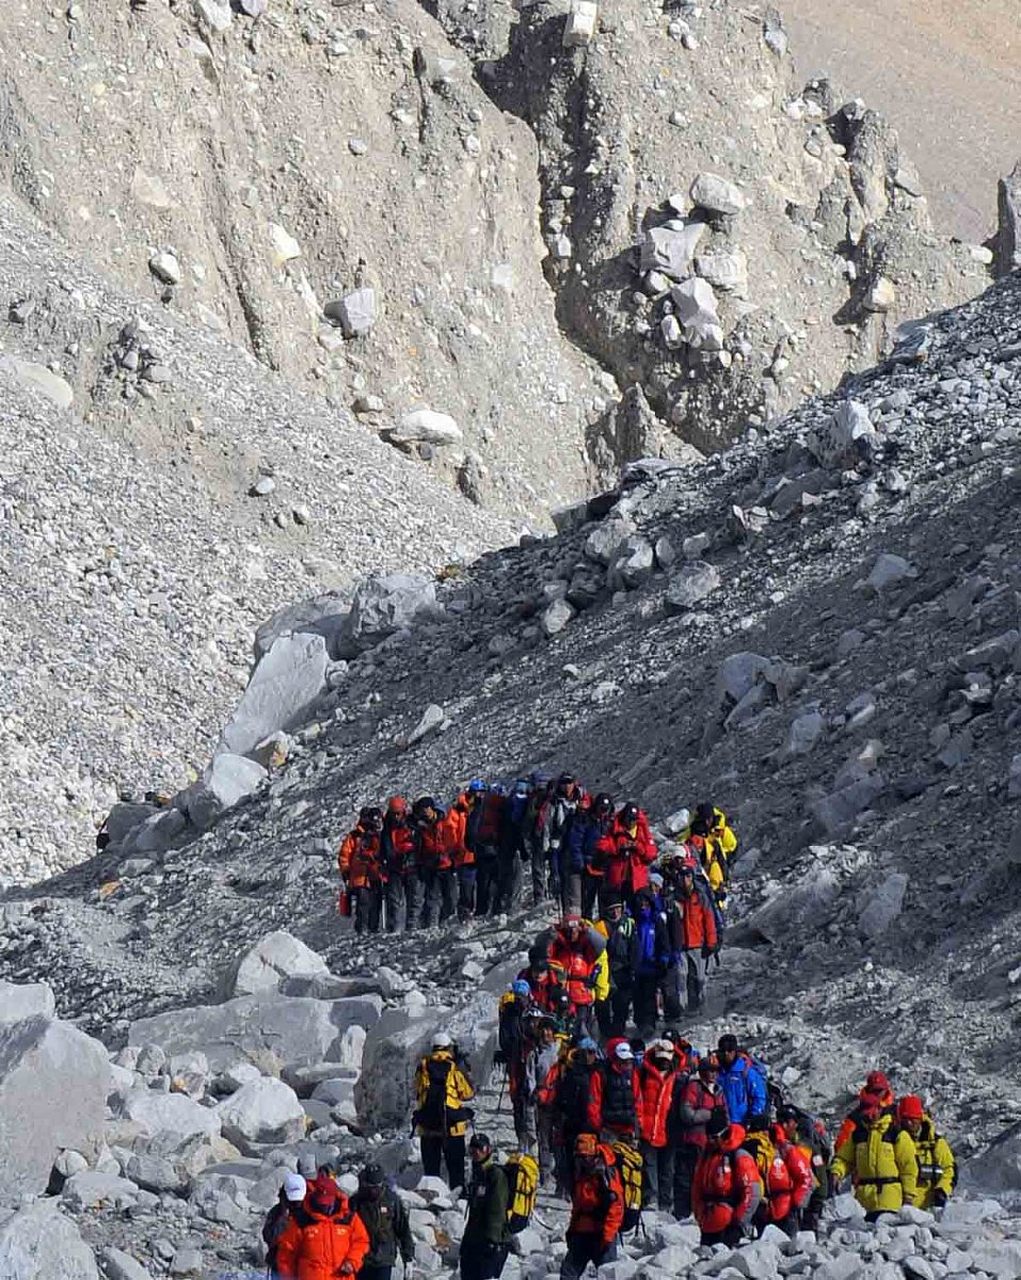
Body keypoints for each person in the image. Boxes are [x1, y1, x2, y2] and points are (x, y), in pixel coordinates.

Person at [829, 1096, 918, 1220]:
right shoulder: (858, 1135)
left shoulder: (896, 1134)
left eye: (871, 1111)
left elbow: (908, 1168)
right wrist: (837, 1172)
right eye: (866, 1112)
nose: (868, 1116)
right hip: (864, 1202)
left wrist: (908, 1196)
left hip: (890, 1200)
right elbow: (844, 1159)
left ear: (879, 1109)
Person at [274, 1169, 371, 1280]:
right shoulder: (301, 1220)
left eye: (327, 1203)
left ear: (335, 1197)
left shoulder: (348, 1218)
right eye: (321, 1202)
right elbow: (286, 1253)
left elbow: (361, 1241)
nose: (323, 1206)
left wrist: (352, 1261)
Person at [413, 1031, 475, 1191]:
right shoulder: (454, 1067)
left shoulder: (423, 1066)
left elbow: (417, 1090)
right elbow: (468, 1093)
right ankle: (458, 1199)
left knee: (431, 1171)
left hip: (427, 1127)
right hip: (452, 1126)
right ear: (449, 1048)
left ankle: (433, 1199)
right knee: (456, 1170)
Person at [559, 1134, 624, 1280]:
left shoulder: (606, 1174)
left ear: (593, 1155)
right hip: (582, 1231)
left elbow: (616, 1207)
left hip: (601, 1233)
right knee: (568, 1273)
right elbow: (578, 1205)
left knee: (607, 1274)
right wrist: (572, 1229)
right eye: (579, 1157)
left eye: (584, 1157)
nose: (581, 1161)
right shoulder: (581, 1172)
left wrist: (607, 1237)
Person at [691, 1113, 762, 1247]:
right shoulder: (707, 1155)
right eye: (708, 1137)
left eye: (714, 1138)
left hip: (729, 1227)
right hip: (708, 1224)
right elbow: (697, 1186)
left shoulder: (739, 1155)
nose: (710, 1141)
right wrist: (699, 1214)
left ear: (724, 1134)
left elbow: (752, 1192)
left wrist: (738, 1223)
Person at [671, 1052, 727, 1218]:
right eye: (710, 1070)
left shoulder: (719, 1091)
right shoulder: (693, 1088)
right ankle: (683, 1213)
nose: (713, 1074)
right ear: (702, 1071)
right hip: (693, 1141)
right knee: (686, 1180)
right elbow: (687, 1114)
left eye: (716, 1070)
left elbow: (725, 1115)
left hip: (713, 1143)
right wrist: (710, 1114)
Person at [662, 863, 719, 1018]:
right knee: (681, 976)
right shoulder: (673, 898)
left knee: (700, 978)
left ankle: (701, 1005)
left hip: (698, 943)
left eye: (688, 876)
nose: (685, 879)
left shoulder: (700, 896)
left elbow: (708, 919)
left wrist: (711, 941)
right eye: (682, 876)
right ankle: (683, 1009)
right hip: (680, 945)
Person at [547, 1038, 600, 1194]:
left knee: (591, 1159)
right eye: (587, 1052)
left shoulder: (599, 1072)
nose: (590, 1056)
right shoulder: (571, 1071)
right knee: (570, 1157)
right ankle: (569, 1188)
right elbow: (561, 1096)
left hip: (592, 1123)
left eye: (593, 1052)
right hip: (572, 1123)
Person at [743, 1120, 813, 1236]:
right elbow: (805, 1176)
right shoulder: (785, 1148)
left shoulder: (746, 1149)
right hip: (784, 1207)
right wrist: (798, 1203)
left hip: (761, 1208)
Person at [350, 1164, 414, 1280]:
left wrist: (408, 1258)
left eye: (376, 1187)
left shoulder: (391, 1201)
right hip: (361, 1258)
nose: (373, 1191)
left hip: (384, 1259)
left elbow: (403, 1230)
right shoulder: (356, 1202)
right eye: (370, 1186)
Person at [774, 1103, 831, 1232]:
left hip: (797, 1201)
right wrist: (819, 1199)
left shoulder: (783, 1144)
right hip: (797, 1201)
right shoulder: (804, 1146)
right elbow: (819, 1174)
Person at [460, 1134, 510, 1280]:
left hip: (490, 1241)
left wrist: (492, 1242)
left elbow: (497, 1209)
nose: (476, 1152)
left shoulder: (495, 1175)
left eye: (480, 1148)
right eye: (472, 1148)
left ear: (488, 1150)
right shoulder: (477, 1173)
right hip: (474, 1237)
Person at [638, 1039, 679, 1214]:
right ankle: (651, 1199)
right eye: (660, 1057)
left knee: (668, 1168)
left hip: (668, 1127)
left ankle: (666, 1202)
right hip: (647, 1127)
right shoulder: (644, 1074)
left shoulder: (676, 1077)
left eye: (666, 1058)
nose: (663, 1061)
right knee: (649, 1165)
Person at [548, 916, 604, 1038]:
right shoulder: (558, 947)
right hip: (561, 994)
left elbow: (601, 944)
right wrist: (551, 932)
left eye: (574, 930)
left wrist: (588, 929)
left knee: (582, 1026)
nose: (572, 933)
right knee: (562, 1028)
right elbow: (543, 948)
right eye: (568, 930)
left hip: (582, 995)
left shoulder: (587, 949)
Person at [897, 1095, 955, 1210]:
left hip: (928, 1211)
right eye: (905, 1119)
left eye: (912, 1118)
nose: (909, 1123)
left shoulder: (936, 1144)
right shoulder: (894, 1142)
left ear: (920, 1118)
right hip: (899, 1209)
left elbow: (950, 1170)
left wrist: (942, 1191)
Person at [594, 802, 657, 906]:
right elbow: (602, 845)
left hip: (638, 881)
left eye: (634, 819)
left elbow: (651, 853)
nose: (632, 822)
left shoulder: (642, 830)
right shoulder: (615, 828)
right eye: (629, 819)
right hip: (618, 879)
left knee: (638, 911)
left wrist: (638, 847)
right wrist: (619, 847)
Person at [412, 797, 461, 927]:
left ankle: (448, 921)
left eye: (426, 808)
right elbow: (419, 848)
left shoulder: (444, 823)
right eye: (422, 810)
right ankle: (432, 924)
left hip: (447, 865)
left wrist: (450, 856)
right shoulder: (421, 828)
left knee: (451, 896)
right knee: (432, 897)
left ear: (432, 808)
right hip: (432, 866)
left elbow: (452, 842)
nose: (425, 812)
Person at [338, 807, 386, 935]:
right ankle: (363, 930)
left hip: (375, 875)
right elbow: (344, 855)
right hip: (360, 877)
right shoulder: (355, 836)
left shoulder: (380, 835)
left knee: (375, 904)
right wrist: (346, 871)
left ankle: (373, 929)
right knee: (363, 905)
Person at [587, 1038, 643, 1143]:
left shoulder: (632, 1075)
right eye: (623, 1060)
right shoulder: (600, 1074)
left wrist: (638, 1123)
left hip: (629, 1129)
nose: (626, 1063)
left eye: (628, 1060)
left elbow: (638, 1100)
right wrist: (598, 1125)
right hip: (608, 1129)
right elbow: (594, 1101)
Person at [630, 890, 669, 1037]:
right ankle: (640, 1022)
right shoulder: (633, 922)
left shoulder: (656, 920)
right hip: (637, 966)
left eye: (645, 903)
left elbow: (664, 940)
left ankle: (649, 1023)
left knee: (649, 996)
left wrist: (664, 957)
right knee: (637, 996)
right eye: (640, 903)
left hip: (652, 965)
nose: (642, 906)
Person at [545, 774, 585, 911]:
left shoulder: (581, 800)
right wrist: (548, 845)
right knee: (560, 878)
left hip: (578, 846)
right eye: (564, 783)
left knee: (577, 881)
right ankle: (566, 912)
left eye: (569, 782)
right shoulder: (555, 802)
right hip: (560, 845)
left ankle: (577, 914)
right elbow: (548, 825)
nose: (567, 786)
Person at [834, 1070, 896, 1151]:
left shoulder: (896, 1113)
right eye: (874, 1090)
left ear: (886, 1090)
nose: (877, 1093)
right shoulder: (855, 1118)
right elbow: (841, 1147)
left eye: (879, 1090)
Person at [381, 796, 418, 932]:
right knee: (394, 901)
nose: (396, 816)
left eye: (398, 813)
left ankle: (412, 926)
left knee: (414, 898)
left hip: (411, 866)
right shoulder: (386, 829)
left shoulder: (412, 824)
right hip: (394, 868)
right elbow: (383, 849)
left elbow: (418, 843)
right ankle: (394, 928)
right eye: (394, 813)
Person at [717, 1035, 769, 1129]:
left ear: (735, 1051)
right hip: (724, 1124)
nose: (726, 1054)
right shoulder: (717, 1072)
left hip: (742, 1123)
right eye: (723, 1050)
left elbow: (759, 1097)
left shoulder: (746, 1072)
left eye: (730, 1050)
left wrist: (752, 1117)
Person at [263, 1172, 306, 1277]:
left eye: (298, 1201)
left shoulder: (309, 1212)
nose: (296, 1204)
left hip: (302, 1267)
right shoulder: (276, 1213)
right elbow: (269, 1237)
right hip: (279, 1267)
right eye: (293, 1201)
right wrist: (283, 1215)